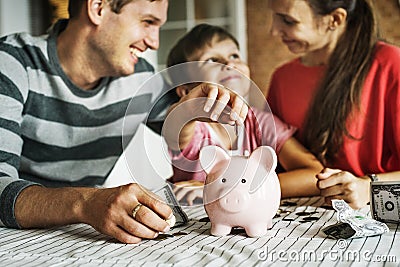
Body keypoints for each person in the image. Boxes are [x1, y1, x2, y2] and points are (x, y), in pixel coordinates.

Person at [0, 0, 246, 244]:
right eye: (147, 22)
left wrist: (192, 109)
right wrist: (86, 203)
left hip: (76, 236)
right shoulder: (12, 62)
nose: (154, 42)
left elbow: (176, 131)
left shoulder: (140, 77)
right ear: (98, 8)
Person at [162, 24, 323, 205]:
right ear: (185, 92)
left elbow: (314, 173)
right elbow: (175, 123)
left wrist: (239, 188)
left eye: (234, 56)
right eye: (212, 60)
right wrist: (188, 109)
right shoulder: (192, 128)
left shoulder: (261, 122)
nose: (230, 64)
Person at [266, 0, 400, 209]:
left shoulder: (391, 65)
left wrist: (368, 186)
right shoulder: (282, 79)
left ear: (335, 19)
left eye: (288, 21)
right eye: (274, 16)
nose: (274, 31)